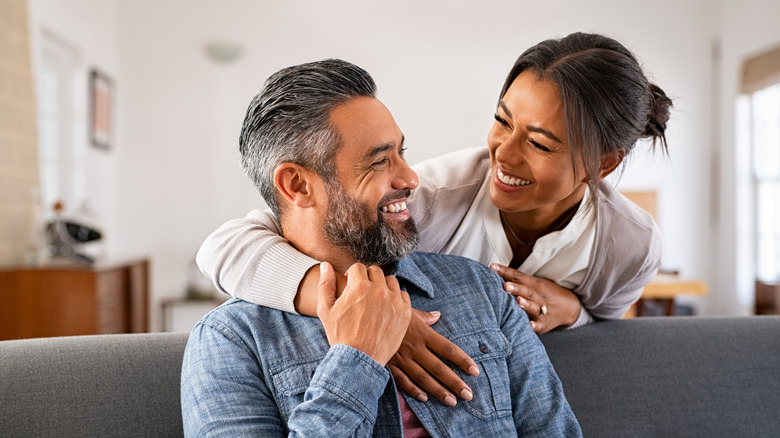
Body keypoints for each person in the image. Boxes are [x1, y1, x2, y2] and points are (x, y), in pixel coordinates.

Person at [196, 32, 672, 404]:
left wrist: (574, 312)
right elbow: (226, 247)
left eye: (540, 143)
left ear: (603, 164)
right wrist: (371, 314)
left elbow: (606, 328)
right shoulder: (432, 196)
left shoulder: (630, 245)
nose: (503, 154)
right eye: (502, 121)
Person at [180, 58, 581, 437]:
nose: (410, 178)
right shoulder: (230, 341)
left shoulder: (482, 290)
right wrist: (356, 359)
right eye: (378, 162)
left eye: (401, 153)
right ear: (297, 185)